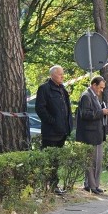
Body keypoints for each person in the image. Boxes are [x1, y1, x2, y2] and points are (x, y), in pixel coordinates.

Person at [35, 65, 73, 194]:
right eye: (59, 74)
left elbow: (66, 109)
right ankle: (49, 186)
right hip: (50, 132)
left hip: (62, 132)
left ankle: (54, 185)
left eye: (63, 74)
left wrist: (68, 125)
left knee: (56, 161)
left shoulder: (62, 89)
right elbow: (40, 109)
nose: (62, 76)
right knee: (50, 161)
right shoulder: (44, 89)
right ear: (52, 75)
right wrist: (53, 122)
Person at [76, 76, 108, 194]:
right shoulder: (86, 96)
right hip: (90, 134)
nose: (101, 90)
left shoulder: (95, 96)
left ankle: (94, 184)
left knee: (97, 161)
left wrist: (102, 111)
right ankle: (91, 185)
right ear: (94, 85)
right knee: (92, 161)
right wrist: (102, 112)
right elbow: (85, 114)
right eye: (100, 87)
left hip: (97, 133)